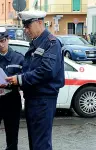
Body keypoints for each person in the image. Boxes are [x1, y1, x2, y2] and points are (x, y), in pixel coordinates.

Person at [6, 10, 65, 150]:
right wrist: (15, 79)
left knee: (41, 143)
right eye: (24, 27)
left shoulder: (51, 43)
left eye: (28, 27)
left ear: (39, 22)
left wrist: (20, 79)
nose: (26, 30)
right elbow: (30, 69)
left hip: (43, 99)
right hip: (33, 99)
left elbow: (47, 71)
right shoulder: (36, 43)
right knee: (35, 141)